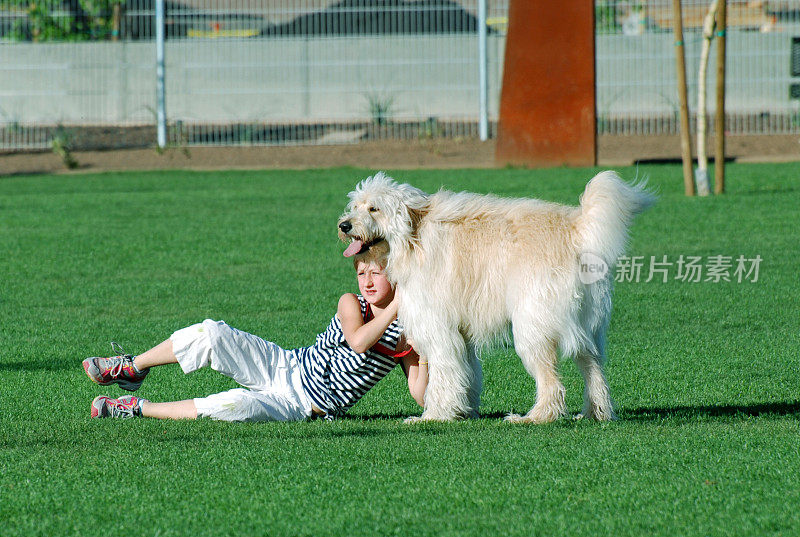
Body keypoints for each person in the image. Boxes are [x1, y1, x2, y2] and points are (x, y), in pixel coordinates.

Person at [84, 242, 427, 421]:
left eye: (376, 273)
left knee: (232, 406)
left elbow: (420, 396)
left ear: (395, 274)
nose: (366, 281)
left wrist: (424, 351)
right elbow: (357, 342)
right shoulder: (352, 303)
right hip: (287, 365)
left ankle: (134, 407)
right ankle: (132, 367)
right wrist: (400, 305)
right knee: (211, 334)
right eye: (360, 273)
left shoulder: (407, 330)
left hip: (302, 405)